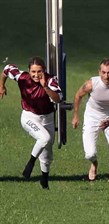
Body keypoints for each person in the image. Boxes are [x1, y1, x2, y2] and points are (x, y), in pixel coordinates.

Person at [0, 56, 62, 189]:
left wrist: (45, 87)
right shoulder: (22, 77)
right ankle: (30, 164)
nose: (36, 75)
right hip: (29, 117)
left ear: (44, 70)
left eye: (39, 71)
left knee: (47, 154)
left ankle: (44, 180)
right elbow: (6, 69)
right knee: (44, 138)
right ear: (28, 71)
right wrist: (2, 85)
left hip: (47, 118)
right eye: (33, 71)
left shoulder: (51, 80)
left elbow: (57, 99)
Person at [72, 58, 109, 182]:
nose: (106, 76)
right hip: (91, 116)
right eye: (103, 72)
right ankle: (94, 164)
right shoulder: (91, 84)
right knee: (89, 154)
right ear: (99, 72)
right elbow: (78, 96)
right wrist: (76, 115)